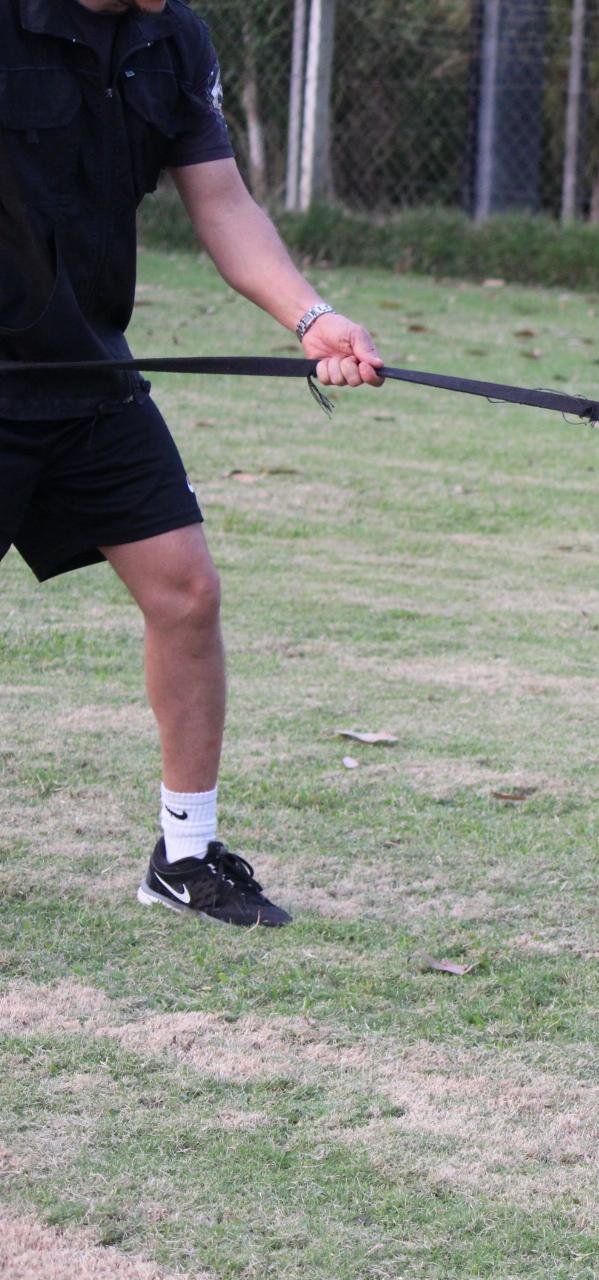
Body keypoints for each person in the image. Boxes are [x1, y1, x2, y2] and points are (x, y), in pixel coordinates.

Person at [1, 0, 385, 926]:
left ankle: (184, 856)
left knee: (185, 593)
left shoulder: (171, 37)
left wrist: (309, 316)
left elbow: (221, 200)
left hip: (90, 373)